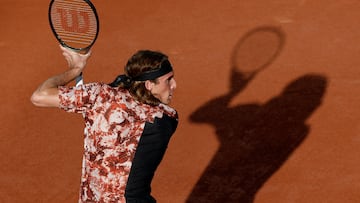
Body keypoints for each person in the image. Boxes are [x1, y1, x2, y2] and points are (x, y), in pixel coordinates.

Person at [31, 46, 178, 203]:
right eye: (168, 80)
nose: (174, 85)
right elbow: (130, 115)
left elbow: (39, 96)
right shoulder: (168, 117)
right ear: (148, 85)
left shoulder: (101, 97)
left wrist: (76, 68)